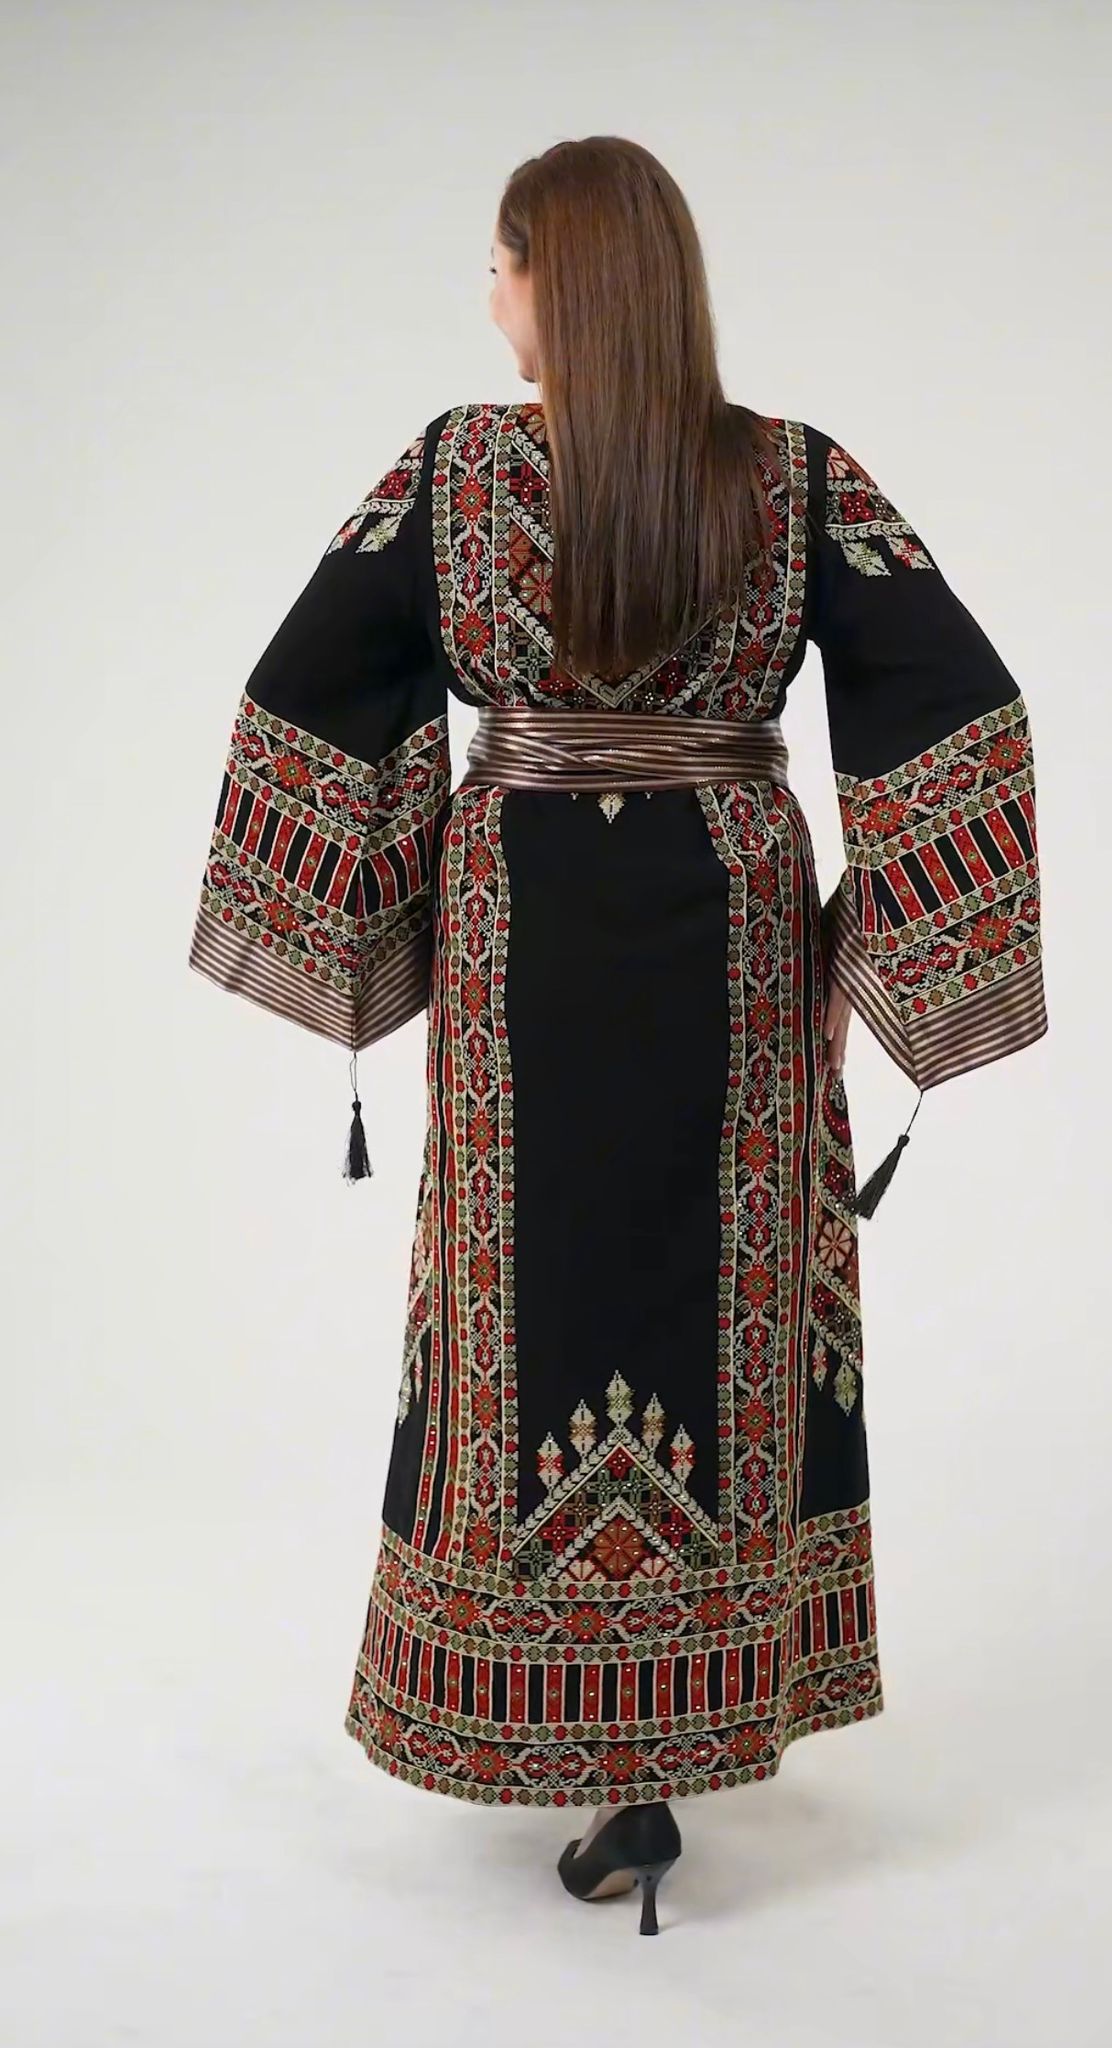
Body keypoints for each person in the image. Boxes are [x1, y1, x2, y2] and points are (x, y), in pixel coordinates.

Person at [188, 136, 1047, 1937]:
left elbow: (308, 688)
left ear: (554, 278)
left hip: (523, 928)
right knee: (727, 1285)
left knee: (525, 1286)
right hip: (733, 920)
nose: (487, 294)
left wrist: (367, 904)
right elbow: (957, 704)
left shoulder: (457, 469)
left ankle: (572, 1733)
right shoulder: (793, 477)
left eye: (499, 262)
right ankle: (668, 1749)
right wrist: (892, 943)